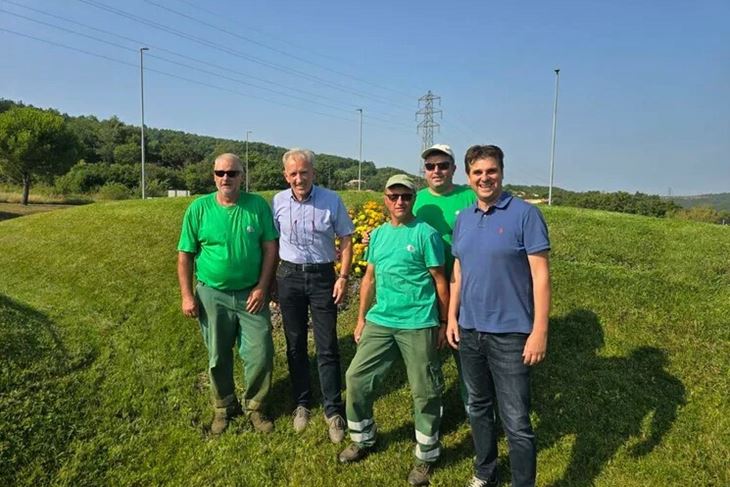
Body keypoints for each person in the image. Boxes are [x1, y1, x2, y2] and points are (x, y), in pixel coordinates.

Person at [446, 145, 551, 487]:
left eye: (490, 171)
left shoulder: (525, 215)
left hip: (511, 334)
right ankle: (485, 471)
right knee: (477, 406)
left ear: (501, 172)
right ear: (468, 177)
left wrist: (539, 331)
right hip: (470, 331)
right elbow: (458, 271)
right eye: (477, 172)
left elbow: (541, 276)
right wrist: (451, 318)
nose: (484, 178)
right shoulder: (463, 218)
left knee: (516, 420)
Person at [339, 174, 450, 487]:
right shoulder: (378, 236)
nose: (399, 202)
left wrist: (442, 322)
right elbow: (370, 279)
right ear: (385, 199)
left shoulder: (426, 234)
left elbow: (440, 281)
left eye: (405, 196)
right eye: (393, 196)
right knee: (356, 377)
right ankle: (364, 438)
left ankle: (426, 455)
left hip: (418, 322)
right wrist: (361, 319)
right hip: (381, 320)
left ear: (413, 199)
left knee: (425, 389)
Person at [177, 153, 279, 435]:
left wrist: (262, 285)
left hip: (251, 294)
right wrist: (187, 296)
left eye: (232, 173)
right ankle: (223, 407)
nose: (226, 178)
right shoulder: (199, 208)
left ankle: (256, 406)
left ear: (241, 176)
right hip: (212, 294)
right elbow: (185, 255)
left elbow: (271, 248)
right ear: (213, 176)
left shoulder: (256, 205)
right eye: (220, 173)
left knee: (260, 352)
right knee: (218, 355)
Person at [272, 148, 354, 443]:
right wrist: (270, 282)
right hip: (289, 276)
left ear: (313, 173)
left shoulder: (331, 200)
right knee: (294, 344)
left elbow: (346, 238)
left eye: (304, 172)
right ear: (286, 176)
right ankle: (302, 403)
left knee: (327, 344)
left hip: (321, 277)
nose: (299, 178)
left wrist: (343, 276)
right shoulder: (278, 202)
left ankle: (333, 410)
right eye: (293, 174)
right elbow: (272, 241)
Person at [413, 143, 476, 412]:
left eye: (442, 165)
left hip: (464, 284)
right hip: (428, 287)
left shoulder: (470, 196)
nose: (436, 170)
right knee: (430, 352)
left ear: (453, 169)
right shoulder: (414, 199)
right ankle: (433, 409)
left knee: (463, 350)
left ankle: (473, 408)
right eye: (430, 166)